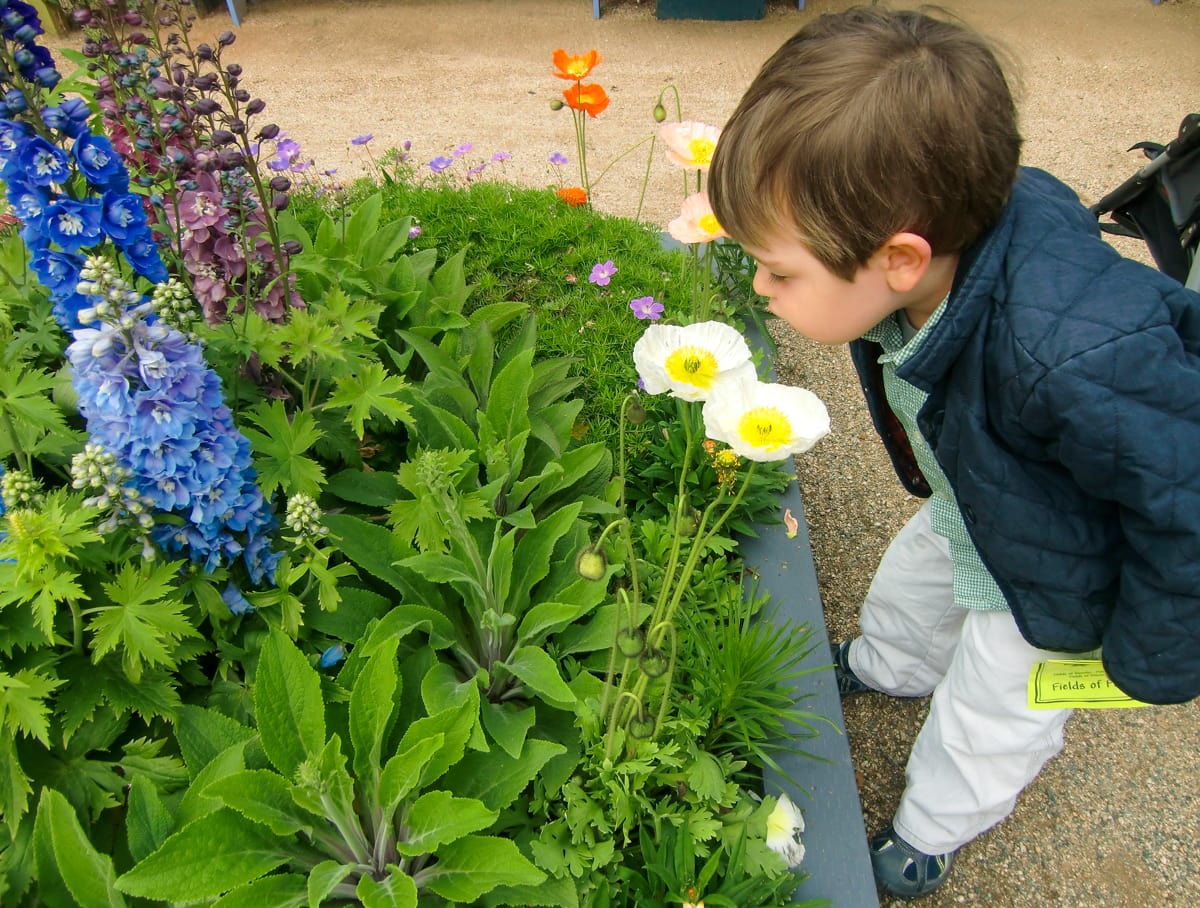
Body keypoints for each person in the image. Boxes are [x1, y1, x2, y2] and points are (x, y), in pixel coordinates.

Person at [707, 5, 1200, 901]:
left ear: (900, 258)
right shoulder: (933, 257)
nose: (760, 287)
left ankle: (933, 825)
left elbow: (1184, 490)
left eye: (779, 272)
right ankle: (888, 664)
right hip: (981, 499)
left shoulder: (1070, 357)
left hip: (1057, 570)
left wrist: (1153, 656)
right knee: (913, 580)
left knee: (995, 706)